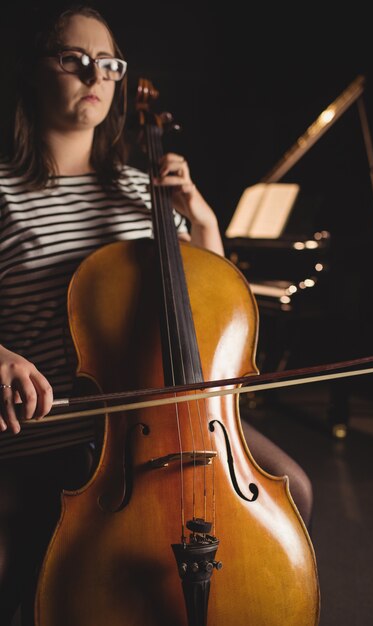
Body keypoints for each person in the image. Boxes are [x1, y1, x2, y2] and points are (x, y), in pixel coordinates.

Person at [0, 4, 313, 625]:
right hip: (46, 427)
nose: (94, 74)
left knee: (293, 490)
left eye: (108, 64)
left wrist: (201, 224)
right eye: (74, 59)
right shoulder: (4, 191)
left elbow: (212, 305)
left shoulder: (141, 191)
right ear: (35, 72)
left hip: (160, 420)